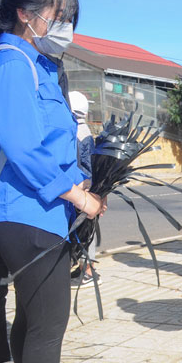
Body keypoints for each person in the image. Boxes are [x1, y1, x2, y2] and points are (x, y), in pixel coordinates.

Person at [0, 0, 106, 363]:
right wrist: (76, 194)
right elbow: (21, 144)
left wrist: (79, 180)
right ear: (25, 14)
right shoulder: (9, 62)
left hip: (41, 208)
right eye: (59, 16)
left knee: (33, 319)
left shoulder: (33, 63)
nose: (65, 27)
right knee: (48, 322)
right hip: (22, 208)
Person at [69, 90, 100, 286]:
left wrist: (83, 188)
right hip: (84, 190)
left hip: (82, 191)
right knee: (84, 230)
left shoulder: (78, 134)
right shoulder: (84, 131)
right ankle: (85, 268)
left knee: (83, 231)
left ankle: (88, 271)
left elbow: (85, 166)